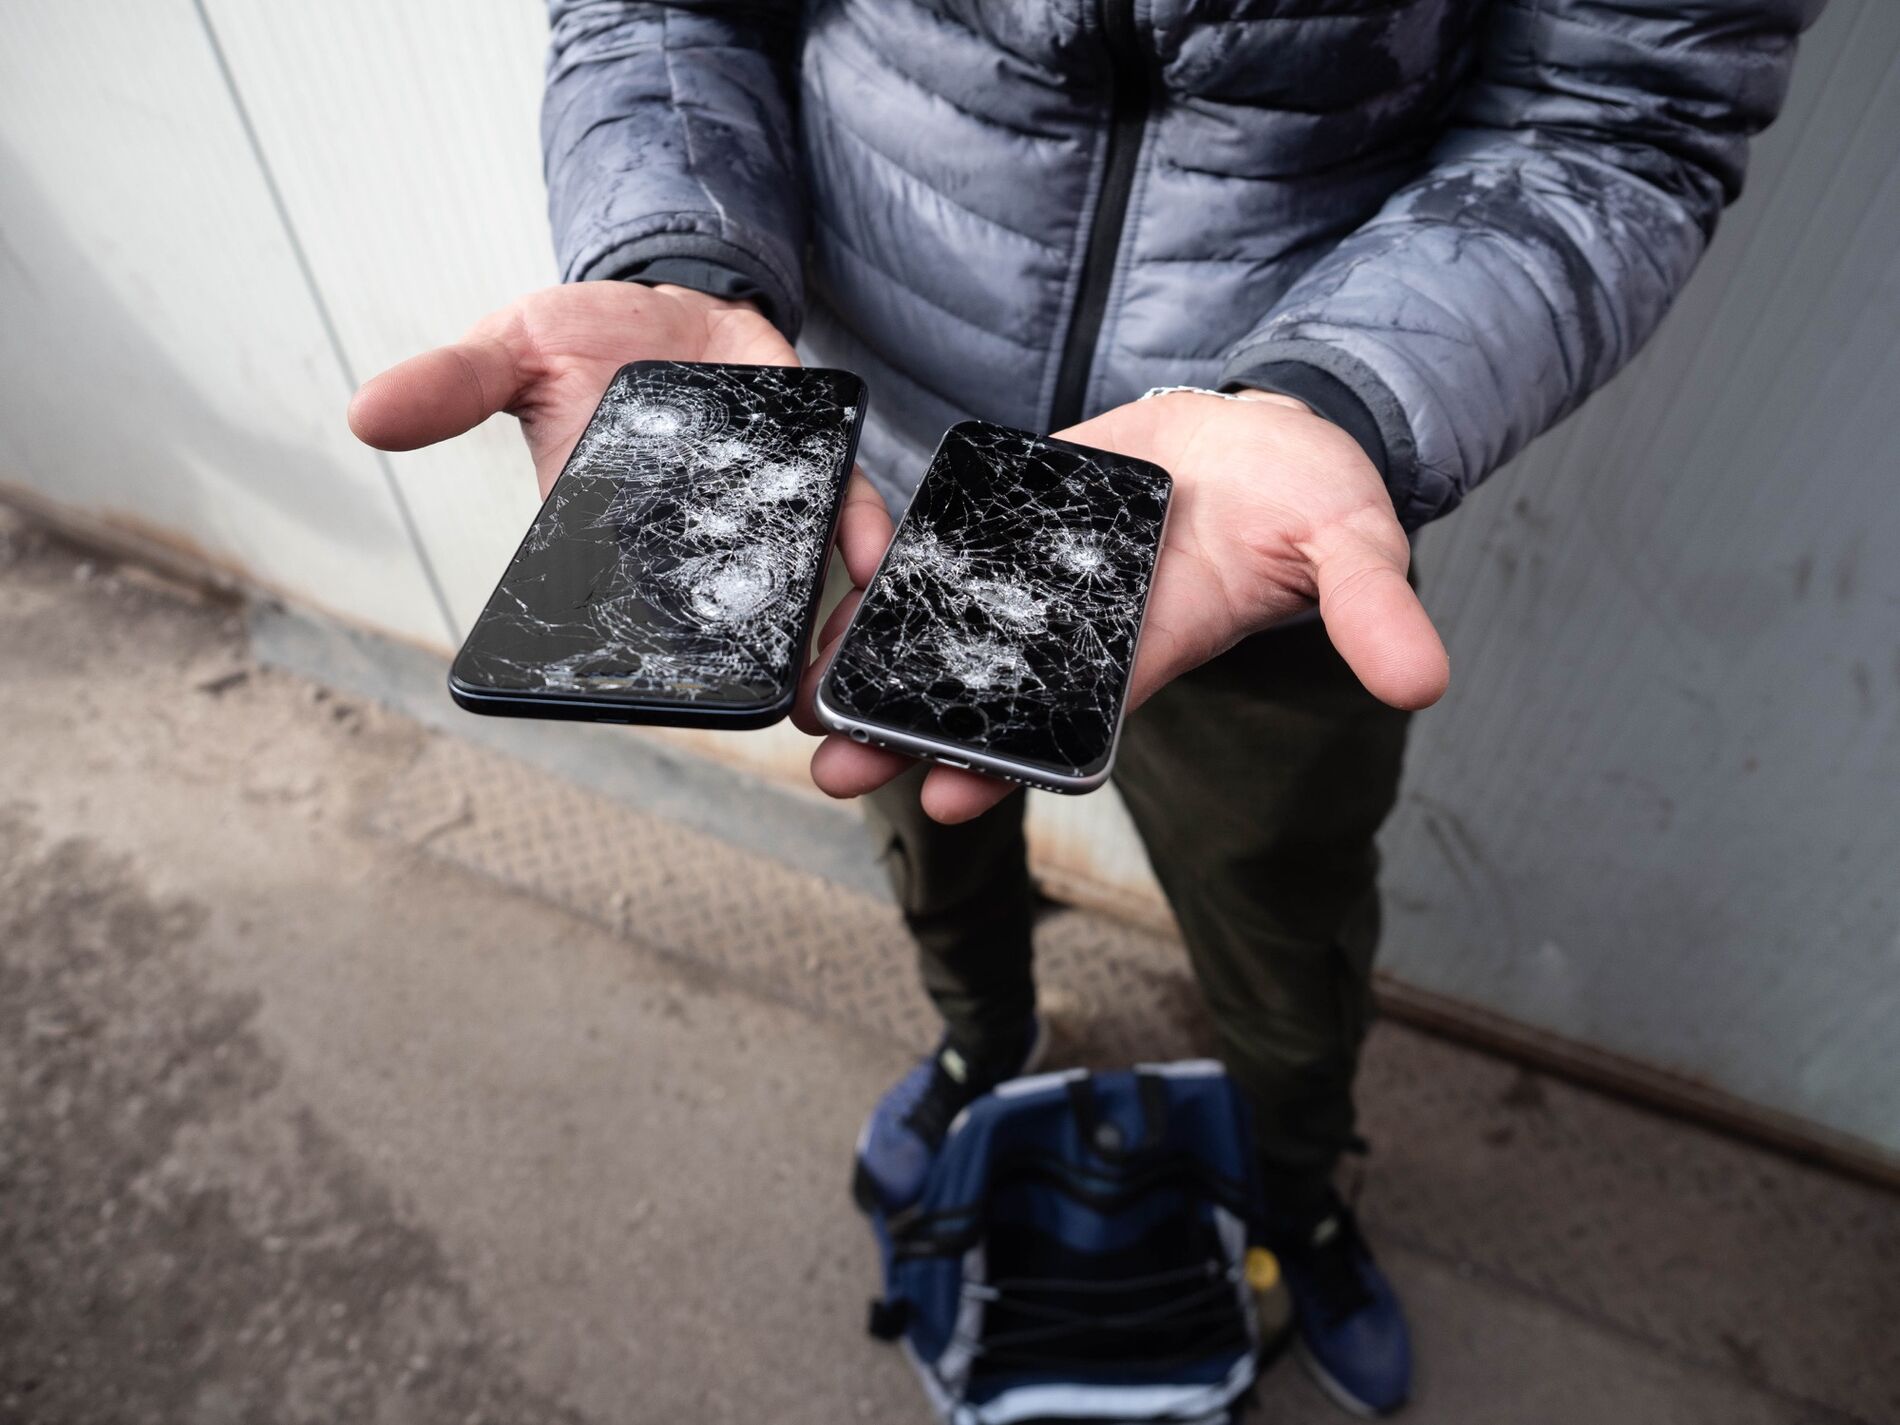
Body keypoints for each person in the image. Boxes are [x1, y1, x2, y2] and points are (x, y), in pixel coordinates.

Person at [349, 1, 1819, 1413]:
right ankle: (984, 1047)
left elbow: (1618, 111)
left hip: (1251, 516)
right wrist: (682, 251)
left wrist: (1339, 394)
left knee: (1283, 917)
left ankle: (1297, 1196)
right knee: (918, 816)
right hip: (890, 467)